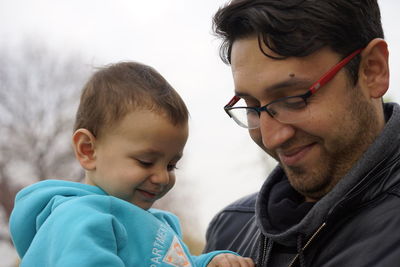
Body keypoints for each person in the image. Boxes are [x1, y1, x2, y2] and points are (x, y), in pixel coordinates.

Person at [204, 0, 400, 266]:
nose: (272, 137)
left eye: (294, 99)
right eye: (251, 107)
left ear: (372, 70)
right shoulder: (228, 231)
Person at [10, 62, 254, 267]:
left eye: (171, 165)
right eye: (145, 162)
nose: (162, 177)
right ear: (88, 150)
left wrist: (209, 262)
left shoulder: (156, 224)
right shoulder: (80, 218)